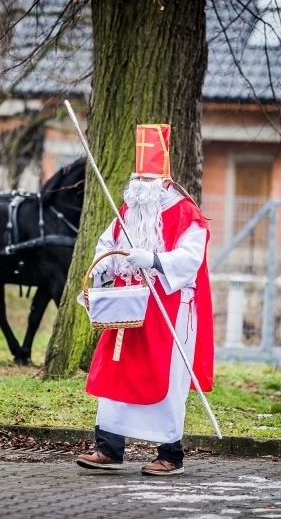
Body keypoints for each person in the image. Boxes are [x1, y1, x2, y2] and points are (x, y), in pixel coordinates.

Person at [76, 124, 214, 476]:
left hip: (167, 310)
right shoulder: (129, 209)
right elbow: (108, 244)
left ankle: (170, 454)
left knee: (165, 379)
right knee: (116, 374)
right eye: (137, 177)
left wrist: (153, 259)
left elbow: (191, 257)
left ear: (164, 181)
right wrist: (104, 266)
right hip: (128, 308)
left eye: (146, 178)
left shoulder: (184, 212)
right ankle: (109, 448)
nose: (139, 184)